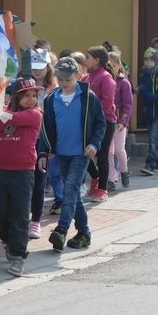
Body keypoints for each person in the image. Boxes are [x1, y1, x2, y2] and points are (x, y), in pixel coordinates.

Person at [39, 56, 106, 251]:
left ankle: (61, 230)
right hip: (61, 154)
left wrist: (94, 144)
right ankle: (84, 233)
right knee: (73, 194)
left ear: (78, 75)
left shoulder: (88, 97)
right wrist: (43, 152)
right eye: (60, 79)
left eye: (67, 79)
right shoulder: (51, 99)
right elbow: (46, 128)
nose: (63, 83)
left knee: (70, 189)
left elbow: (100, 123)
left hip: (81, 153)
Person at [0, 78, 44, 276]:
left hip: (23, 173)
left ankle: (19, 256)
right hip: (1, 170)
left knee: (19, 215)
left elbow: (6, 116)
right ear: (15, 97)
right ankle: (7, 241)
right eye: (26, 95)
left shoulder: (35, 114)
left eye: (34, 95)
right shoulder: (4, 112)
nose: (31, 99)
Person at [29, 47, 59, 238]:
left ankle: (35, 221)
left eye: (41, 66)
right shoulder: (24, 86)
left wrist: (52, 145)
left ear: (48, 67)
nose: (37, 70)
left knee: (39, 182)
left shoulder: (54, 90)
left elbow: (56, 119)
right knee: (24, 182)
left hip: (43, 140)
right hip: (25, 140)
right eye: (34, 66)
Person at [83, 46, 117, 202]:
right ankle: (95, 176)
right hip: (88, 121)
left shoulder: (106, 77)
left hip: (106, 121)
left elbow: (108, 101)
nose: (85, 60)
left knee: (102, 155)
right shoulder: (86, 78)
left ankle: (102, 189)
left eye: (88, 57)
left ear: (97, 60)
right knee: (83, 150)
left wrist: (95, 117)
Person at [109, 51, 132, 189]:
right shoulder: (106, 81)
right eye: (108, 66)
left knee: (119, 149)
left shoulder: (124, 83)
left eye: (113, 65)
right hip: (108, 121)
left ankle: (124, 170)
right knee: (109, 152)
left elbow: (128, 104)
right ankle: (111, 178)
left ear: (118, 65)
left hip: (119, 123)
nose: (111, 68)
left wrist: (123, 121)